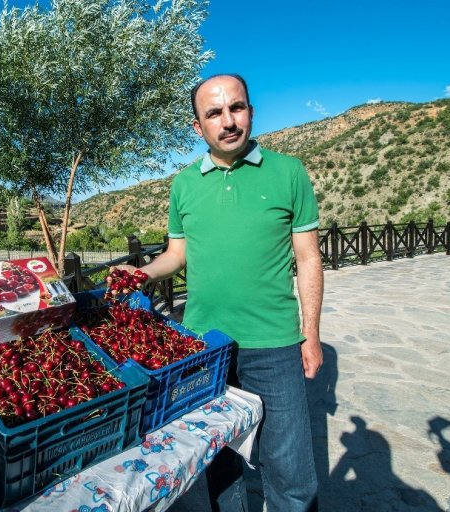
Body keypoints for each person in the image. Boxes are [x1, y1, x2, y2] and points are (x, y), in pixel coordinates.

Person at [110, 74, 323, 511]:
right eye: (214, 113)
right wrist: (142, 274)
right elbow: (176, 254)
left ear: (250, 111)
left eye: (236, 108)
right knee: (219, 463)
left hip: (275, 343)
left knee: (290, 470)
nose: (228, 121)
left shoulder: (289, 172)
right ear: (198, 126)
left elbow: (308, 259)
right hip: (203, 348)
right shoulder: (184, 184)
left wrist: (311, 334)